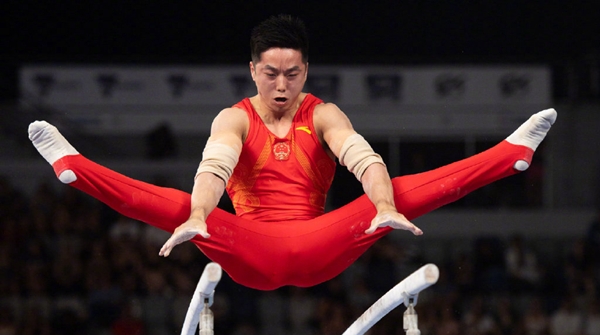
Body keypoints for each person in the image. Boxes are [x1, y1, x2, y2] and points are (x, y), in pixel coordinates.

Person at [28, 15, 557, 291]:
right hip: (248, 247)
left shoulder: (323, 113)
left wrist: (385, 207)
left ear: (307, 71)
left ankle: (510, 154)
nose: (282, 85)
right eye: (271, 73)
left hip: (318, 246)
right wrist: (197, 216)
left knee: (390, 192)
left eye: (294, 73)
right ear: (253, 70)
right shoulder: (233, 117)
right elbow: (215, 165)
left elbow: (362, 157)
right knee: (180, 207)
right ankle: (73, 166)